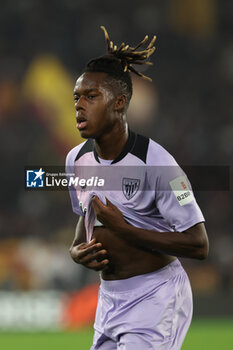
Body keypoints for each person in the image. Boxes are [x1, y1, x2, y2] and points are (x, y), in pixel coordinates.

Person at [66, 26, 209, 350]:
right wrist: (76, 250)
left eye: (91, 96)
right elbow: (87, 216)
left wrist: (125, 229)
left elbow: (199, 246)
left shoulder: (161, 166)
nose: (79, 105)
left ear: (119, 103)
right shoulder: (76, 160)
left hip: (155, 297)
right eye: (77, 97)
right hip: (109, 299)